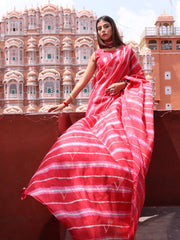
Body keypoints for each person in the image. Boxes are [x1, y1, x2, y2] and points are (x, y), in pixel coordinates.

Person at [21, 16, 154, 240]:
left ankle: (114, 214)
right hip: (97, 104)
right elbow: (84, 79)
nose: (103, 31)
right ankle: (85, 208)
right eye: (99, 28)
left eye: (106, 26)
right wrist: (66, 101)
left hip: (118, 105)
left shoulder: (127, 52)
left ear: (113, 28)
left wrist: (123, 83)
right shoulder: (97, 54)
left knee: (122, 157)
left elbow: (140, 78)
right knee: (85, 151)